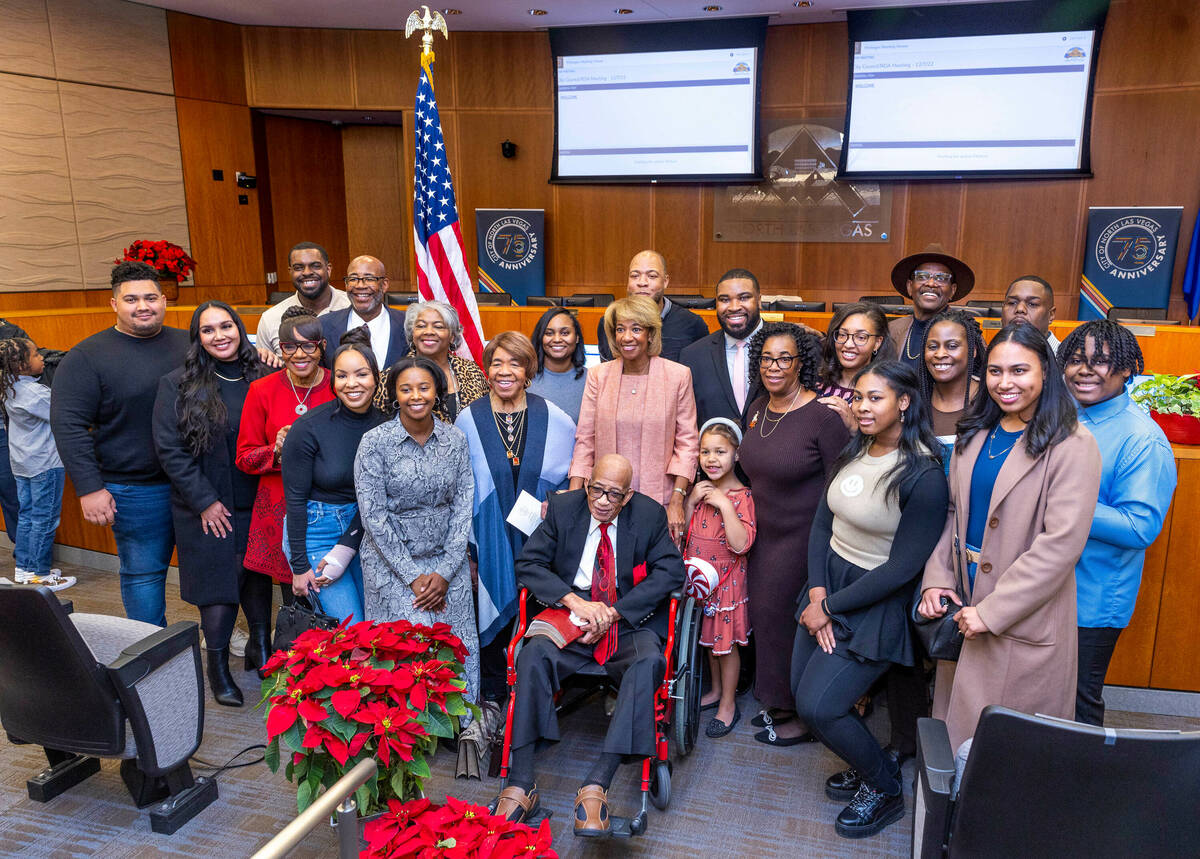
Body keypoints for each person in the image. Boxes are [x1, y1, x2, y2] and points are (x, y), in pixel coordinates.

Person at [918, 323, 1102, 751]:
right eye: (996, 371)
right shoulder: (976, 431)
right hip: (965, 597)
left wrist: (994, 611)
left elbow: (1061, 545)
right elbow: (953, 512)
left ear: (1046, 373)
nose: (1006, 383)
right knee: (955, 737)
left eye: (1020, 371)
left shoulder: (1073, 444)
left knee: (1008, 752)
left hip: (1020, 613)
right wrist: (938, 577)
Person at [494, 454, 685, 836]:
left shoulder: (647, 515)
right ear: (588, 483)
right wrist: (575, 602)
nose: (601, 500)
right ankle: (521, 781)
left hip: (626, 617)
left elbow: (671, 572)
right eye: (596, 489)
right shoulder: (565, 507)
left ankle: (598, 782)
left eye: (613, 494)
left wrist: (613, 613)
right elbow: (529, 564)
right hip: (573, 610)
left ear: (627, 496)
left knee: (648, 664)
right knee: (531, 654)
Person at [795, 360, 947, 838]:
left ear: (904, 403)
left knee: (822, 707)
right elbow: (824, 523)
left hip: (873, 603)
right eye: (858, 397)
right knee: (805, 696)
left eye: (874, 398)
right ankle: (869, 764)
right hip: (828, 586)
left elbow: (903, 569)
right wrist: (818, 591)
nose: (861, 406)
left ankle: (885, 788)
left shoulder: (924, 474)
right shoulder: (853, 450)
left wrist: (831, 609)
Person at [51, 261, 189, 626]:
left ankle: (225, 639)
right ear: (114, 304)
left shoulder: (190, 343)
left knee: (211, 568)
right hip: (134, 490)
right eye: (131, 299)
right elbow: (68, 426)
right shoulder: (86, 357)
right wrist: (90, 488)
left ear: (164, 300)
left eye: (149, 297)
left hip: (197, 483)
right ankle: (149, 649)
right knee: (144, 574)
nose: (142, 306)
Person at [152, 302, 271, 706]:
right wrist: (204, 502)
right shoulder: (178, 384)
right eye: (208, 330)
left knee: (257, 576)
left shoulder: (264, 374)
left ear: (240, 328)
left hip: (259, 498)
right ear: (197, 337)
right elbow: (170, 450)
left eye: (226, 326)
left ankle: (260, 647)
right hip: (206, 503)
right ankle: (217, 668)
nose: (219, 335)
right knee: (219, 587)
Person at [1058, 321, 1176, 725]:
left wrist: (1058, 505)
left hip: (1091, 599)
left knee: (1077, 702)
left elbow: (1139, 526)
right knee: (1043, 698)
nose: (1085, 369)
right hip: (1047, 587)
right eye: (1075, 360)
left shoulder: (1141, 438)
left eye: (1101, 361)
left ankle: (1083, 787)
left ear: (1127, 369)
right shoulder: (1062, 418)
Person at [739, 322, 850, 744]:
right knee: (766, 620)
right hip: (762, 534)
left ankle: (805, 716)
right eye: (766, 358)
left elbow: (838, 484)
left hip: (804, 536)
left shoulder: (822, 417)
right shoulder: (756, 411)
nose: (774, 366)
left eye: (784, 358)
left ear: (801, 363)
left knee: (792, 621)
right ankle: (778, 702)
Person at [456, 332, 576, 703]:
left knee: (538, 618)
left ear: (529, 370)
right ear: (486, 369)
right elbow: (462, 492)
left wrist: (553, 503)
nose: (505, 371)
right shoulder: (467, 420)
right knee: (489, 619)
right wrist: (470, 555)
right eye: (496, 362)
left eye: (515, 363)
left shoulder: (555, 419)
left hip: (539, 543)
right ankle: (493, 698)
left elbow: (572, 484)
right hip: (486, 544)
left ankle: (535, 698)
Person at [354, 356, 479, 705]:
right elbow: (373, 516)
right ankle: (408, 731)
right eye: (405, 389)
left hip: (445, 562)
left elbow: (463, 506)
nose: (415, 396)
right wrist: (413, 576)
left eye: (424, 387)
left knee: (457, 641)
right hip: (391, 563)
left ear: (437, 391)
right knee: (407, 643)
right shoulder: (374, 442)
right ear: (394, 394)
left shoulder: (455, 439)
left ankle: (460, 721)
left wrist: (443, 571)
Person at [569, 295, 698, 543]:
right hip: (605, 503)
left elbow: (687, 444)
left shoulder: (678, 376)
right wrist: (573, 500)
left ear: (651, 333)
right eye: (620, 329)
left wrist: (677, 501)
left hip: (659, 502)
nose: (627, 337)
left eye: (636, 329)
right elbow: (585, 440)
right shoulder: (598, 376)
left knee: (653, 575)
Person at [282, 333, 386, 626]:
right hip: (316, 533)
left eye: (361, 374)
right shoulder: (308, 428)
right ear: (333, 381)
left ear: (376, 378)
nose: (352, 383)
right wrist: (301, 567)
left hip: (365, 534)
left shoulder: (386, 427)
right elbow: (295, 501)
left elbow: (375, 498)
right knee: (350, 628)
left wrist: (348, 545)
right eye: (342, 375)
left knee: (375, 626)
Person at [236, 308, 335, 609]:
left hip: (332, 509)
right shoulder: (261, 390)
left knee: (335, 596)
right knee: (297, 603)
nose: (299, 354)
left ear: (322, 347)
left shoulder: (339, 385)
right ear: (280, 349)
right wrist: (277, 450)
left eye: (308, 345)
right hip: (280, 512)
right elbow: (244, 457)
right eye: (289, 346)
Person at [683, 418, 756, 738]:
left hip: (726, 585)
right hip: (700, 581)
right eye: (705, 452)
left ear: (736, 454)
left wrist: (725, 504)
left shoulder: (742, 497)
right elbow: (684, 534)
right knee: (708, 643)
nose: (712, 459)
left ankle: (728, 703)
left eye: (720, 452)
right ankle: (714, 691)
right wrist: (689, 502)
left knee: (725, 647)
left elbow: (741, 544)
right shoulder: (699, 492)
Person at [0, 337, 72, 590]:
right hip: (44, 463)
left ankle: (25, 569)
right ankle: (40, 574)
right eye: (35, 354)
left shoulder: (8, 386)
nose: (42, 357)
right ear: (21, 364)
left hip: (22, 463)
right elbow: (64, 414)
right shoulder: (34, 393)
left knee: (28, 516)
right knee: (45, 518)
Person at [376, 301, 488, 422]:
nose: (428, 331)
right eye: (421, 326)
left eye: (438, 326)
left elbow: (486, 414)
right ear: (412, 334)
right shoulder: (391, 376)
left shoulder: (472, 371)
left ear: (452, 336)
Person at [679, 268, 764, 427]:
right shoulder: (693, 356)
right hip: (714, 450)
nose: (733, 307)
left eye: (744, 298)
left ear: (759, 300)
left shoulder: (788, 345)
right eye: (725, 300)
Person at [596, 250, 709, 362]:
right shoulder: (610, 321)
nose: (642, 282)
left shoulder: (692, 324)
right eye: (635, 276)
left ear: (665, 281)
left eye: (652, 276)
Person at [887, 244, 975, 371]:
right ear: (909, 286)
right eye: (922, 276)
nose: (931, 283)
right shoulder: (892, 330)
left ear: (952, 290)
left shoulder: (966, 331)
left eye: (941, 278)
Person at [918, 308, 986, 469]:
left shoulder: (988, 400)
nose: (940, 354)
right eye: (933, 346)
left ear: (973, 350)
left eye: (952, 346)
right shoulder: (915, 400)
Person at [256, 242, 350, 356]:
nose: (307, 272)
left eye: (315, 266)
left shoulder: (352, 306)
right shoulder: (270, 318)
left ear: (328, 269)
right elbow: (264, 369)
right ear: (290, 272)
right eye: (298, 268)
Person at [318, 255, 408, 369]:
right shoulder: (324, 325)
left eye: (369, 279)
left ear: (384, 285)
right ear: (346, 284)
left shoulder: (407, 324)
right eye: (353, 279)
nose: (360, 286)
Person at [816, 302, 896, 430]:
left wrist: (853, 426)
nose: (848, 344)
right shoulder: (816, 382)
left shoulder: (888, 390)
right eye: (842, 335)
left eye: (860, 337)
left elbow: (889, 443)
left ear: (877, 343)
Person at [0, 315, 34, 546]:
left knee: (15, 496)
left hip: (4, 427)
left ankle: (28, 560)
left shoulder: (8, 331)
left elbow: (30, 365)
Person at [528, 307, 587, 423]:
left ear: (577, 338)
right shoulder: (525, 378)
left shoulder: (592, 380)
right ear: (541, 338)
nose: (557, 339)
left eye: (565, 333)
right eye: (549, 333)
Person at [1002, 275, 1059, 354]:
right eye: (1012, 303)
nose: (1020, 309)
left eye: (1032, 304)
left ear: (1051, 315)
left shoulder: (1067, 361)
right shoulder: (989, 356)